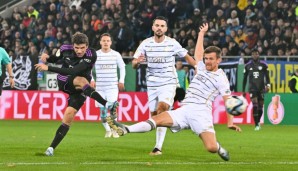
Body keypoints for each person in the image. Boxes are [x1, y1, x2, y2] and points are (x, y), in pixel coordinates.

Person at [108, 23, 241, 161]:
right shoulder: (201, 66)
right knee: (156, 119)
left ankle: (219, 148)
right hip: (184, 110)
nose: (207, 61)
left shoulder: (221, 78)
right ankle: (126, 129)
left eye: (211, 59)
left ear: (219, 60)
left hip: (201, 113)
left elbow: (229, 101)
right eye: (206, 59)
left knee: (211, 148)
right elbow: (198, 53)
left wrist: (230, 122)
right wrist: (201, 34)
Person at [34, 32, 119, 156]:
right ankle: (107, 104)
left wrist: (49, 68)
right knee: (81, 80)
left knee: (69, 115)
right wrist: (47, 58)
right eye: (76, 48)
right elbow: (55, 58)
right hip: (64, 81)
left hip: (80, 89)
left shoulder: (91, 54)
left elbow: (74, 70)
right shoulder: (64, 49)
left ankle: (51, 148)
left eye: (82, 48)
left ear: (87, 46)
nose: (79, 51)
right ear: (72, 46)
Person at [131, 16, 197, 155]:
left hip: (168, 82)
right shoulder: (145, 44)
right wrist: (137, 62)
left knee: (162, 110)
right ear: (153, 27)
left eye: (162, 26)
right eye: (157, 25)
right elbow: (134, 64)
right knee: (155, 117)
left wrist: (197, 66)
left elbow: (186, 56)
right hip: (152, 85)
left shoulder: (172, 43)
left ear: (166, 29)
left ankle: (157, 148)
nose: (159, 28)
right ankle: (179, 124)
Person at [90, 33, 126, 138]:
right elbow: (88, 69)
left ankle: (115, 130)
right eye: (104, 41)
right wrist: (92, 79)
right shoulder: (95, 55)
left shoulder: (116, 54)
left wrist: (121, 81)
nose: (106, 42)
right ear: (100, 42)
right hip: (100, 88)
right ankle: (107, 130)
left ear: (110, 42)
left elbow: (122, 68)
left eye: (108, 41)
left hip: (112, 87)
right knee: (103, 111)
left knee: (113, 109)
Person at [242, 49, 270, 131]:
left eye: (256, 54)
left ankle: (258, 122)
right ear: (251, 55)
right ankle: (256, 124)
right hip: (252, 88)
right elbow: (244, 79)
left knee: (261, 106)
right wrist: (243, 90)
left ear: (258, 55)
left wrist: (268, 85)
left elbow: (267, 77)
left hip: (261, 88)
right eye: (253, 54)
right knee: (255, 105)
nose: (255, 55)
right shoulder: (247, 66)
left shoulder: (264, 65)